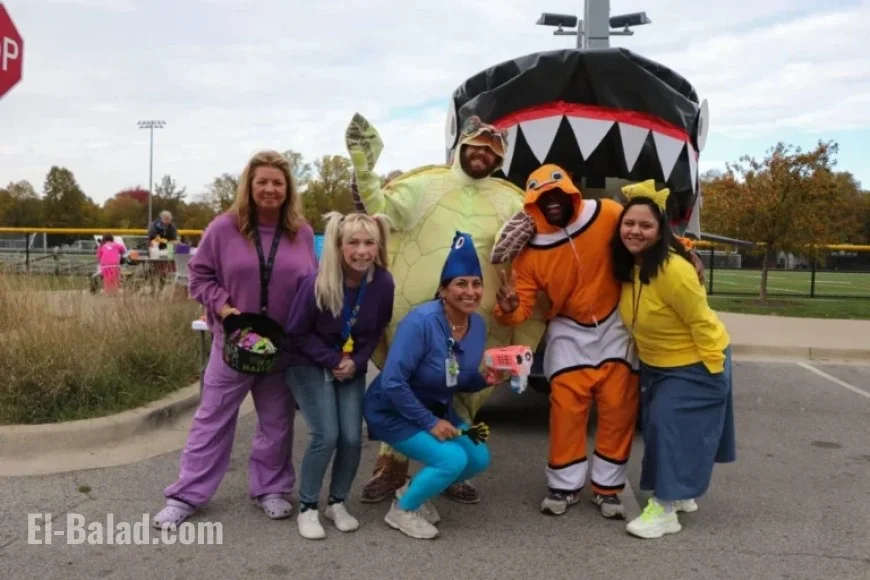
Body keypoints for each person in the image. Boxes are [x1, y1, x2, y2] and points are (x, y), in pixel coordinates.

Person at [346, 113, 546, 505]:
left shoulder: (512, 200)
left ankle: (453, 466)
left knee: (465, 391)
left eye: (493, 150)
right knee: (408, 380)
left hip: (477, 315)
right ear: (462, 145)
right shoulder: (425, 183)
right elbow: (380, 209)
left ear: (501, 158)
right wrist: (363, 167)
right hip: (414, 310)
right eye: (477, 145)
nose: (483, 154)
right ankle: (392, 464)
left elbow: (541, 247)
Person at [151, 150, 318, 529]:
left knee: (277, 422)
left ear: (288, 188)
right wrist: (224, 308)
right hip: (233, 344)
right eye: (262, 182)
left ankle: (271, 488)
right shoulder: (224, 228)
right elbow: (199, 277)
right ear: (249, 186)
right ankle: (185, 495)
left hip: (279, 348)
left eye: (278, 182)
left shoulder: (302, 233)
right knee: (212, 420)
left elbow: (313, 282)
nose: (270, 189)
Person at [493, 164, 639, 519]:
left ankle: (608, 488)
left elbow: (644, 239)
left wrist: (684, 252)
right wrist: (507, 309)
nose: (552, 202)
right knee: (566, 411)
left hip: (615, 326)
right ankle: (564, 485)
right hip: (569, 331)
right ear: (533, 203)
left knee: (618, 409)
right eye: (543, 198)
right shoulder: (530, 253)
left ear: (572, 191)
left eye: (558, 194)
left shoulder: (608, 214)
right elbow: (520, 308)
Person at [611, 180, 736, 539]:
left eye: (645, 225)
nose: (635, 231)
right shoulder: (630, 266)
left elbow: (702, 321)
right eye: (629, 223)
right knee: (662, 430)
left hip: (697, 362)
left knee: (670, 429)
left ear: (660, 230)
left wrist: (715, 373)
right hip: (658, 365)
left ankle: (665, 509)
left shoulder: (673, 270)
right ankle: (680, 494)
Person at [363, 231, 502, 539]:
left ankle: (412, 493)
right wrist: (429, 422)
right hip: (393, 409)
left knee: (478, 458)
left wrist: (486, 378)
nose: (470, 292)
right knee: (451, 459)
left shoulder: (477, 325)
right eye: (461, 283)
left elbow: (457, 377)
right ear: (443, 289)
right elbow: (393, 381)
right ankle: (402, 511)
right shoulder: (421, 322)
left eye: (476, 284)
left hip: (436, 408)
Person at [284, 211, 395, 540]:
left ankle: (337, 502)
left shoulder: (383, 282)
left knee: (351, 436)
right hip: (308, 361)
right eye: (353, 243)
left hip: (350, 364)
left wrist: (356, 361)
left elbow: (376, 330)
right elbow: (295, 333)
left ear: (378, 246)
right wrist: (333, 359)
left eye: (369, 243)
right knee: (326, 435)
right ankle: (308, 506)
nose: (362, 251)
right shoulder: (318, 282)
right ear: (339, 245)